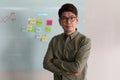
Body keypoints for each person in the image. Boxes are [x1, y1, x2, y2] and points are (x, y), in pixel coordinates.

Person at [43, 3, 91, 80]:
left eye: (72, 18)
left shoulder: (84, 41)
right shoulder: (55, 40)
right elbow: (46, 64)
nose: (68, 22)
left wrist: (55, 61)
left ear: (77, 20)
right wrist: (64, 73)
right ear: (60, 21)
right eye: (64, 18)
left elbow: (77, 68)